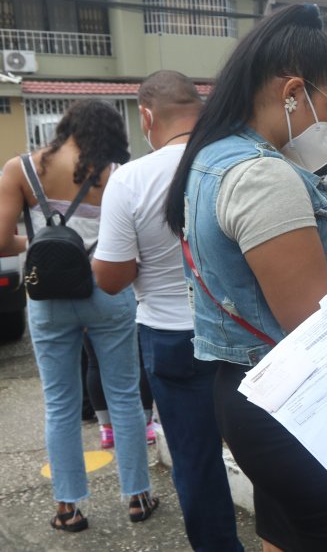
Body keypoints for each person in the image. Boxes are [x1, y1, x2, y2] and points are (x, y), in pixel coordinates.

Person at [164, 4, 327, 551]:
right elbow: (311, 312)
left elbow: (268, 265)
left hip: (253, 393)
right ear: (292, 92)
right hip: (298, 403)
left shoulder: (213, 156)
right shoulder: (263, 175)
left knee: (288, 535)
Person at [91, 71, 243, 551]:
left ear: (146, 117)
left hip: (171, 336)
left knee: (196, 461)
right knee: (270, 451)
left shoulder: (131, 179)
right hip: (245, 330)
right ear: (199, 110)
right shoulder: (238, 162)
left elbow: (111, 278)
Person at [0, 99, 157, 532]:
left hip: (47, 297)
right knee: (124, 396)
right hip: (107, 290)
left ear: (64, 126)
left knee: (60, 403)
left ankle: (68, 507)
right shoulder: (117, 174)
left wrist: (41, 245)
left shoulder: (21, 169)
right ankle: (138, 497)